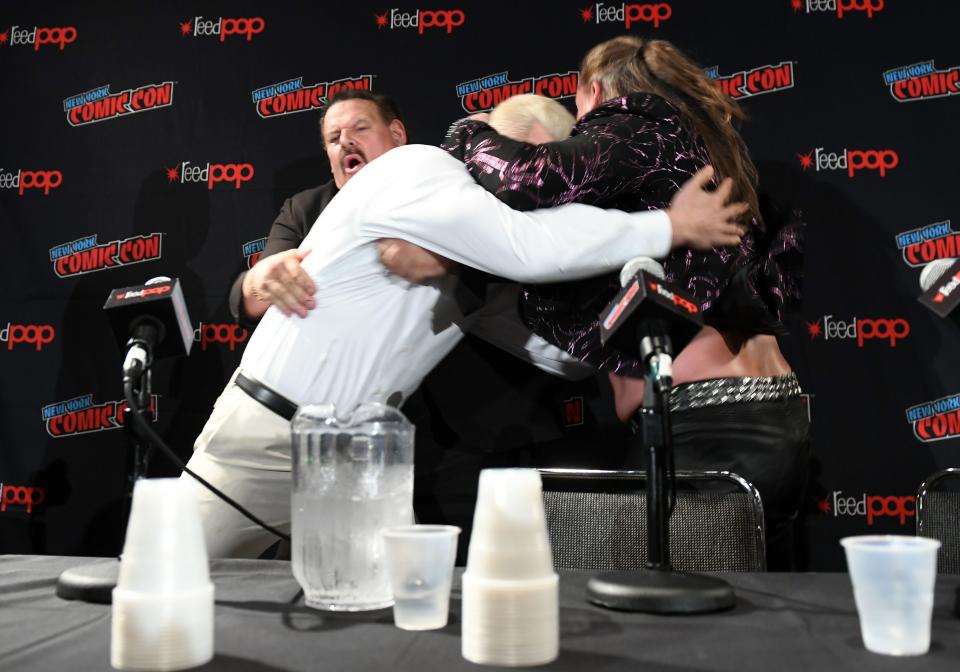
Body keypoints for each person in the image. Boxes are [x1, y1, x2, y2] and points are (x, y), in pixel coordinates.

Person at [183, 91, 746, 558]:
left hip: (358, 455)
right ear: (523, 152)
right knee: (165, 588)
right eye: (560, 176)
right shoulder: (420, 166)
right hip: (267, 436)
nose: (559, 195)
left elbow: (549, 351)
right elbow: (530, 246)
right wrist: (669, 226)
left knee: (384, 620)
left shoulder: (470, 257)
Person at [393, 36, 808, 569]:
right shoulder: (713, 152)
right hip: (774, 414)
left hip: (706, 428)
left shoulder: (640, 123)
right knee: (738, 620)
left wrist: (471, 130)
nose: (579, 131)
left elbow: (531, 177)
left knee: (660, 628)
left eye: (579, 117)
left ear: (593, 91)